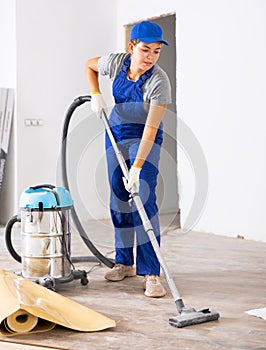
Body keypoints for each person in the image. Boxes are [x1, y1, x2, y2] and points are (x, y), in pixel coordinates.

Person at [85, 21, 172, 298]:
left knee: (143, 200)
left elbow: (150, 128)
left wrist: (136, 167)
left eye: (156, 51)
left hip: (144, 137)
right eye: (145, 50)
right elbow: (89, 64)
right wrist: (96, 93)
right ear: (131, 47)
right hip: (116, 133)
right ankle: (124, 262)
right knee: (119, 197)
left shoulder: (159, 81)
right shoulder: (116, 62)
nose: (150, 57)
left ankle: (151, 273)